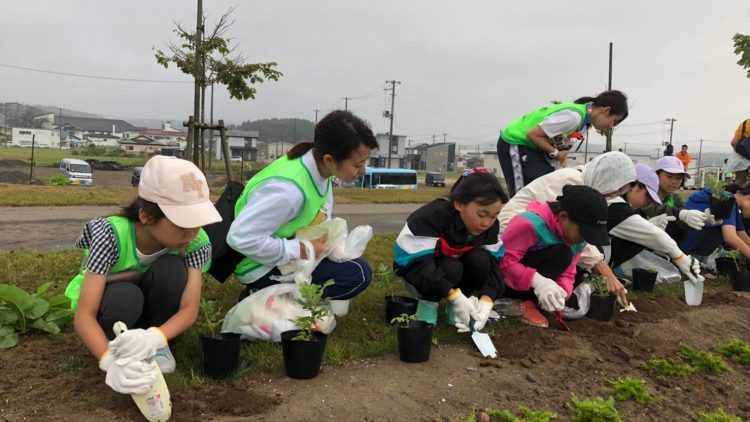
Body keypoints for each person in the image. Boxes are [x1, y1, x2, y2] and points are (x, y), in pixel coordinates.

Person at [65, 155, 222, 395]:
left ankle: (157, 347)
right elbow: (84, 315)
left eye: (197, 222)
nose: (192, 232)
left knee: (171, 270)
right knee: (125, 296)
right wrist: (108, 361)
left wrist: (155, 338)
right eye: (182, 224)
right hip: (115, 310)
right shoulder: (110, 235)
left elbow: (189, 309)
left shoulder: (196, 242)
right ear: (146, 217)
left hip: (155, 322)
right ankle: (119, 347)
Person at [227, 110, 378, 305]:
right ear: (329, 160)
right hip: (257, 265)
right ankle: (263, 294)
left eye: (365, 162)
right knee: (356, 275)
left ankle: (283, 297)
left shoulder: (320, 169)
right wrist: (303, 249)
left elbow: (321, 216)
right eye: (358, 165)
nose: (364, 170)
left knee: (352, 266)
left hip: (287, 251)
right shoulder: (288, 191)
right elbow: (239, 238)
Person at [497, 151, 635, 305]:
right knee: (562, 252)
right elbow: (563, 227)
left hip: (546, 238)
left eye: (620, 192)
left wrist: (564, 292)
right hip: (515, 235)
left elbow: (575, 241)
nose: (613, 194)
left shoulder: (587, 193)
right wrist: (539, 282)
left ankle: (545, 296)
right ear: (606, 177)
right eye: (615, 188)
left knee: (574, 252)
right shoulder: (571, 181)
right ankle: (524, 299)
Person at [393, 168, 508, 331]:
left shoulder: (489, 227)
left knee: (481, 259)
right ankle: (428, 305)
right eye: (482, 214)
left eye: (494, 216)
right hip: (417, 275)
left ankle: (457, 308)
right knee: (451, 267)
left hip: (453, 274)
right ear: (459, 203)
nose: (487, 223)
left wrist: (487, 300)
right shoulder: (431, 217)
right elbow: (417, 265)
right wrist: (454, 296)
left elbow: (493, 264)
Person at [500, 185, 610, 323]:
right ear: (564, 217)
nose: (583, 240)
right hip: (504, 282)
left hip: (533, 285)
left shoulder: (577, 240)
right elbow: (503, 261)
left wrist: (561, 293)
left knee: (563, 255)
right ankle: (519, 301)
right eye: (583, 232)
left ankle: (532, 304)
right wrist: (538, 281)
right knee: (561, 252)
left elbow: (568, 272)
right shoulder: (529, 224)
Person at [496, 90, 629, 196]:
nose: (612, 126)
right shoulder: (574, 117)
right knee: (522, 193)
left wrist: (558, 150)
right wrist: (556, 154)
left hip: (529, 147)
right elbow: (533, 134)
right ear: (606, 110)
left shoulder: (583, 122)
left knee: (543, 184)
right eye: (614, 121)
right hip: (514, 143)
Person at [606, 163, 703, 283]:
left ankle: (605, 273)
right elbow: (654, 235)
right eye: (647, 196)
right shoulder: (616, 206)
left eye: (678, 178)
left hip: (594, 257)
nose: (645, 202)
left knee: (639, 239)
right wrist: (681, 258)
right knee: (641, 238)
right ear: (634, 186)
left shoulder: (615, 201)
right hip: (586, 260)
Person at [641, 156, 711, 244]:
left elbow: (684, 219)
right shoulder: (643, 194)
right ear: (656, 175)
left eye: (678, 178)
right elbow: (655, 209)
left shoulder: (675, 198)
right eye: (669, 176)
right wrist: (680, 214)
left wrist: (702, 219)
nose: (674, 182)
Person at [680, 183, 750, 261]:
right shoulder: (726, 201)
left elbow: (742, 235)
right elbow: (730, 238)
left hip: (690, 251)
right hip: (683, 253)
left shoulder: (731, 203)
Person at [726, 118, 750, 186]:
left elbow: (733, 142)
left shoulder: (745, 123)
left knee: (740, 186)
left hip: (739, 163)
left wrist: (743, 151)